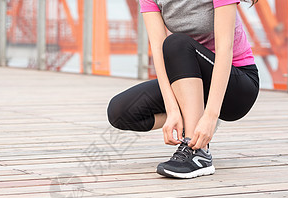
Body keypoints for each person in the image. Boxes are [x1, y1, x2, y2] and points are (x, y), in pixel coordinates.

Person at [107, 0, 260, 179]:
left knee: (176, 43)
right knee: (120, 111)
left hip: (236, 84)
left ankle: (198, 151)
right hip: (189, 78)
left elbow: (224, 48)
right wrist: (172, 109)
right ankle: (194, 120)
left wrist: (210, 116)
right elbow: (158, 49)